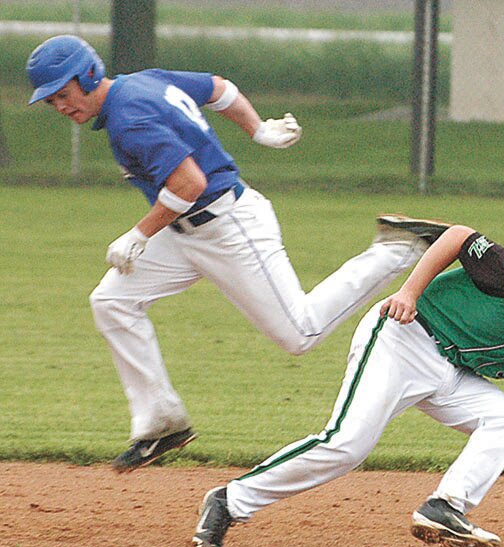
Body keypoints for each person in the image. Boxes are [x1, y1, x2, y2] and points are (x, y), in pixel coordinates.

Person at [26, 35, 446, 473]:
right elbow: (218, 88)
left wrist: (138, 233)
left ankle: (399, 247)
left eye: (62, 93)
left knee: (299, 333)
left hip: (230, 227)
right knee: (112, 301)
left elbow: (189, 184)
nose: (60, 106)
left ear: (88, 74)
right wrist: (257, 128)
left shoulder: (129, 116)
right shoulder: (142, 83)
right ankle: (161, 422)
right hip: (183, 230)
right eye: (51, 100)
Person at [192, 221, 504, 547]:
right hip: (403, 337)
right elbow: (459, 236)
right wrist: (408, 291)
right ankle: (229, 500)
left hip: (450, 371)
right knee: (347, 444)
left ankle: (444, 506)